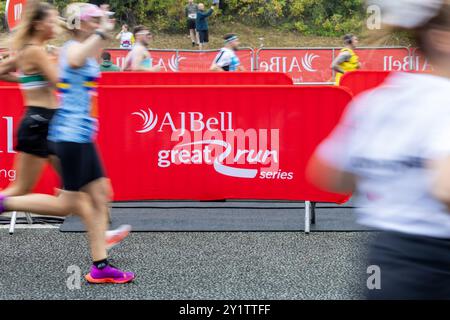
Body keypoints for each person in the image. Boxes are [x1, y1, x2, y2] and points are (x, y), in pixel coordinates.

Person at [307, 0, 450, 299]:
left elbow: (328, 174)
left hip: (386, 257)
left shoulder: (377, 100)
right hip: (437, 263)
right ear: (442, 38)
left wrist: (394, 174)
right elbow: (445, 189)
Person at [0, 2, 135, 284]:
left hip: (63, 127)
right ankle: (99, 258)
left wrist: (26, 77)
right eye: (51, 20)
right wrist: (98, 34)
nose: (55, 24)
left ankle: (101, 260)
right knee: (69, 203)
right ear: (38, 24)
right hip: (56, 127)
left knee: (98, 194)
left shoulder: (45, 50)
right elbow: (64, 76)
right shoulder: (54, 50)